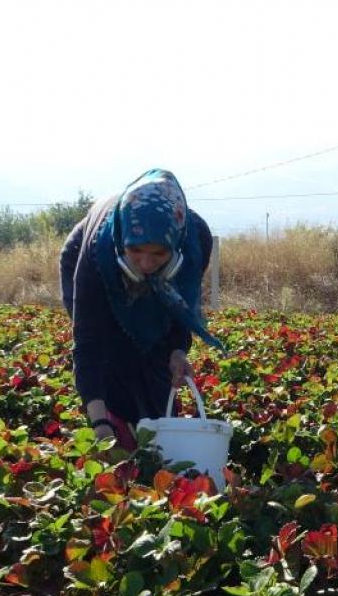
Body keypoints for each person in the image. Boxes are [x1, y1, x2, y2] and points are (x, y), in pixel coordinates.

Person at [60, 169, 223, 449]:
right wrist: (100, 424)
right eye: (136, 251)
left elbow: (180, 308)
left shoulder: (195, 241)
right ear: (124, 241)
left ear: (174, 244)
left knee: (157, 361)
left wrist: (177, 351)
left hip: (165, 272)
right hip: (90, 256)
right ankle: (116, 427)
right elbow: (88, 345)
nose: (145, 264)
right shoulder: (97, 253)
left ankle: (153, 435)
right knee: (113, 352)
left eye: (158, 253)